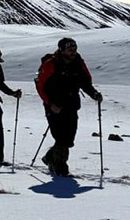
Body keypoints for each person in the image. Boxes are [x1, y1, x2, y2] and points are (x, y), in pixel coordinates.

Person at [36, 37, 103, 177]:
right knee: (61, 137)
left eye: (74, 49)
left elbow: (85, 83)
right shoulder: (51, 64)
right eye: (69, 49)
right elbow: (41, 86)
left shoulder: (78, 63)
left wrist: (94, 94)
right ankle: (60, 167)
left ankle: (49, 157)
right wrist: (50, 103)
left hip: (71, 105)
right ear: (62, 50)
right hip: (54, 106)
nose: (73, 52)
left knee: (69, 137)